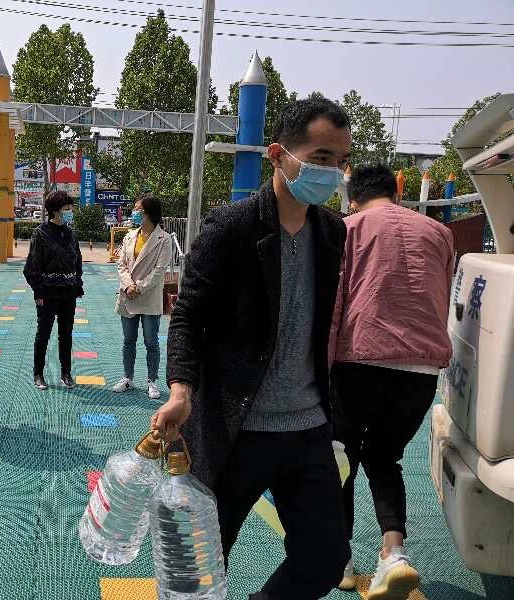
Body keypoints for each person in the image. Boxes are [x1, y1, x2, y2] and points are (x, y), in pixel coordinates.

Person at [152, 97, 352, 600]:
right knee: (197, 567)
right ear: (277, 154)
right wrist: (181, 391)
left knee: (324, 561)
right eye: (321, 158)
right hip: (235, 426)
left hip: (307, 427)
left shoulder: (333, 232)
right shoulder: (232, 227)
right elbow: (188, 316)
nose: (332, 172)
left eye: (341, 161)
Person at [330, 163, 454, 598]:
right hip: (421, 367)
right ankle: (394, 554)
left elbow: (337, 300)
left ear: (353, 199)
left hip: (360, 358)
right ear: (396, 194)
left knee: (340, 458)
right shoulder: (439, 233)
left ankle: (339, 558)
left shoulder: (349, 229)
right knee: (385, 458)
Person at [112, 195, 172, 399]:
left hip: (148, 296)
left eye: (138, 209)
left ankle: (152, 381)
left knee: (151, 342)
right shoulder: (130, 236)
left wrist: (139, 287)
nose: (134, 213)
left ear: (148, 213)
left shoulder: (164, 239)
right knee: (128, 340)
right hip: (128, 294)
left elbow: (159, 270)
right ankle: (127, 377)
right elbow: (121, 264)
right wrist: (128, 285)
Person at [24, 190, 84, 390]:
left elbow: (78, 261)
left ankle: (66, 373)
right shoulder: (40, 233)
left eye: (70, 208)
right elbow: (32, 266)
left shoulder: (70, 233)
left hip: (68, 292)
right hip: (48, 293)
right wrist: (38, 291)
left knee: (66, 334)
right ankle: (38, 374)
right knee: (43, 333)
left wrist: (77, 284)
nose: (70, 211)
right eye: (66, 208)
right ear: (55, 211)